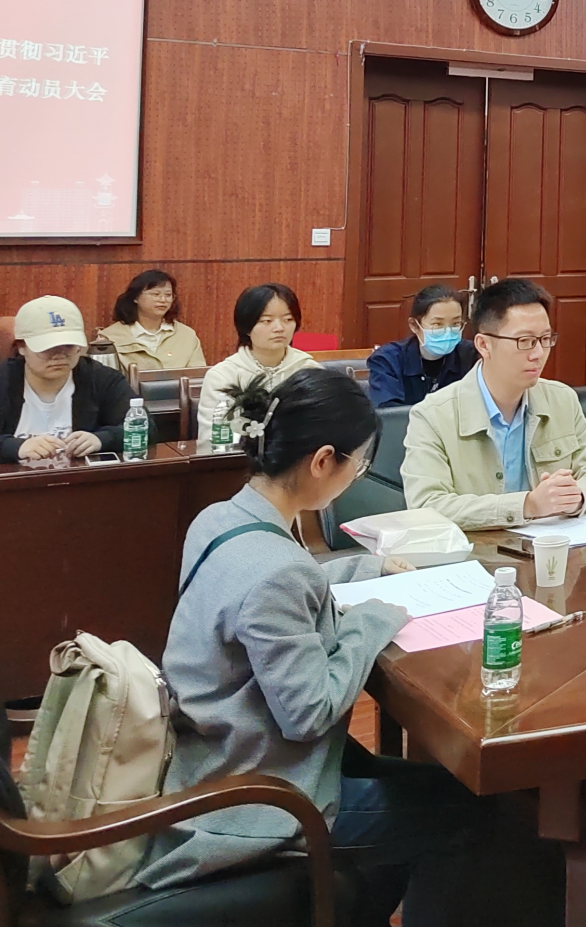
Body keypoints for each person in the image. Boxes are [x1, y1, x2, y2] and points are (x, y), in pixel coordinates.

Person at [136, 368, 538, 926]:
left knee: (447, 790)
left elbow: (283, 579)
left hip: (214, 753)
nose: (356, 476)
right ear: (323, 460)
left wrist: (368, 568)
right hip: (263, 797)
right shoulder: (278, 573)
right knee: (469, 811)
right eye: (360, 464)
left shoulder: (221, 519)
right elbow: (309, 712)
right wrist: (371, 620)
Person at [402, 277, 586, 530]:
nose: (538, 353)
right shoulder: (432, 415)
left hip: (552, 545)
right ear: (484, 345)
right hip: (477, 550)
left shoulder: (562, 399)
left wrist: (576, 497)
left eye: (545, 339)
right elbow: (427, 505)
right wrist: (527, 505)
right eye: (524, 341)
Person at [0, 296, 132, 462]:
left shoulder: (103, 379)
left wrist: (101, 439)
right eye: (47, 348)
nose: (59, 356)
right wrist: (14, 447)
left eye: (69, 346)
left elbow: (145, 426)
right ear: (21, 347)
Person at [198, 284, 319, 440]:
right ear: (246, 327)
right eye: (267, 321)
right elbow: (212, 438)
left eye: (288, 319)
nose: (279, 328)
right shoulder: (223, 376)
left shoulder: (309, 370)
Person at [366, 284, 477, 408]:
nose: (448, 331)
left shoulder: (472, 355)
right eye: (437, 324)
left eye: (455, 323)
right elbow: (390, 414)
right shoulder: (387, 360)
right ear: (414, 325)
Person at [98, 269, 207, 375]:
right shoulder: (110, 338)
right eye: (156, 294)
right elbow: (104, 381)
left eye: (168, 295)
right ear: (135, 297)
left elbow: (197, 377)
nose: (163, 300)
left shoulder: (186, 335)